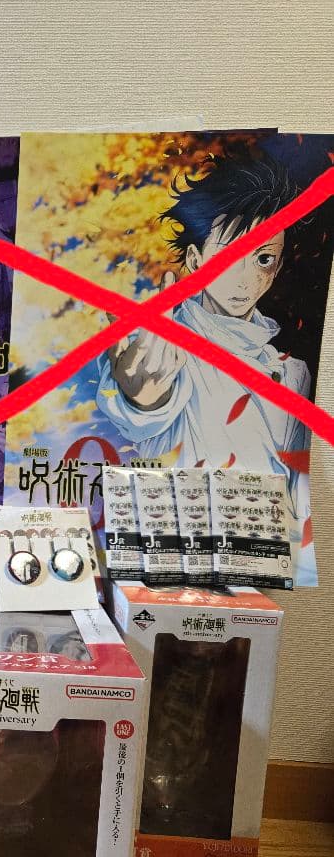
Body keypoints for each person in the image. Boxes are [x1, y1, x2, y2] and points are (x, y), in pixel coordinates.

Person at [96, 152, 311, 567]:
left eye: (263, 259)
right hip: (167, 555)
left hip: (258, 563)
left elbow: (298, 503)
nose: (247, 278)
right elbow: (137, 410)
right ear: (195, 259)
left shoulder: (292, 372)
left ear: (278, 266)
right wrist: (142, 399)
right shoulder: (163, 345)